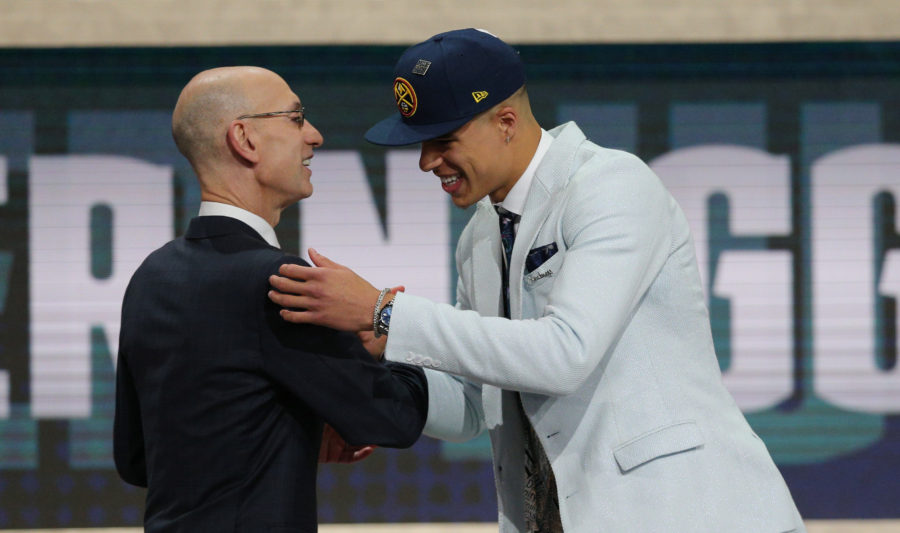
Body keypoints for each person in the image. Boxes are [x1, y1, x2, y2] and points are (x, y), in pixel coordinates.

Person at [268, 29, 805, 532]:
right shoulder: (478, 238)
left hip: (688, 514)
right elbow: (475, 407)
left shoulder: (611, 185)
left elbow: (564, 354)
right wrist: (360, 391)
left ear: (505, 121)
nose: (427, 161)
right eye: (420, 143)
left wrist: (386, 311)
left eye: (444, 139)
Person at [113, 66, 428, 532]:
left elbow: (136, 460)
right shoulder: (280, 283)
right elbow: (393, 417)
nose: (315, 137)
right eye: (296, 118)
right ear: (245, 139)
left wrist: (283, 429)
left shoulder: (151, 276)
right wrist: (389, 327)